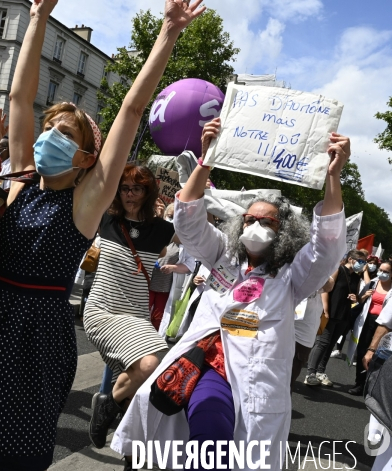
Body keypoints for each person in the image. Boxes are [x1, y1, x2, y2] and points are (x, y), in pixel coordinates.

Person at [0, 0, 200, 469]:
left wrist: (167, 34)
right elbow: (17, 98)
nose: (48, 134)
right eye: (47, 126)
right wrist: (36, 18)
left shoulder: (86, 200)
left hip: (35, 336)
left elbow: (132, 110)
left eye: (64, 133)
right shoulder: (20, 181)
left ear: (87, 159)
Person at [111, 117, 349, 470]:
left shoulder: (293, 276)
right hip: (208, 368)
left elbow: (327, 245)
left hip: (256, 381)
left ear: (283, 231)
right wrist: (207, 158)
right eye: (250, 219)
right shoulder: (223, 253)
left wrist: (333, 176)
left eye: (266, 222)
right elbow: (188, 219)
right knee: (209, 439)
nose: (255, 226)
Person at [84, 164, 176, 448]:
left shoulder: (162, 230)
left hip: (136, 316)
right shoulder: (104, 220)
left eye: (137, 188)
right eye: (124, 188)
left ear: (148, 193)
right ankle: (110, 404)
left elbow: (199, 231)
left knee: (159, 371)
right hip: (102, 311)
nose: (130, 194)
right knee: (150, 363)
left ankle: (112, 406)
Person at [305, 249, 366, 386]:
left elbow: (355, 296)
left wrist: (355, 298)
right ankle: (310, 373)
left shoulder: (356, 277)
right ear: (351, 259)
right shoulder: (338, 269)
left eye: (364, 262)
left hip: (344, 315)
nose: (363, 264)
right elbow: (325, 290)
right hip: (331, 312)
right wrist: (325, 309)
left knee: (331, 343)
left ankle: (321, 372)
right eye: (361, 261)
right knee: (322, 342)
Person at [348, 261, 392, 395]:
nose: (382, 273)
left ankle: (371, 384)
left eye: (386, 272)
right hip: (368, 320)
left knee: (379, 354)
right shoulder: (373, 282)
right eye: (380, 270)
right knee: (362, 351)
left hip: (384, 326)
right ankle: (359, 383)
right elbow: (359, 300)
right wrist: (364, 296)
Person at [292, 276, 335, 388]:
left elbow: (329, 284)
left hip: (306, 327)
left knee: (297, 363)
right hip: (286, 320)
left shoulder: (319, 268)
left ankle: (284, 397)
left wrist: (316, 275)